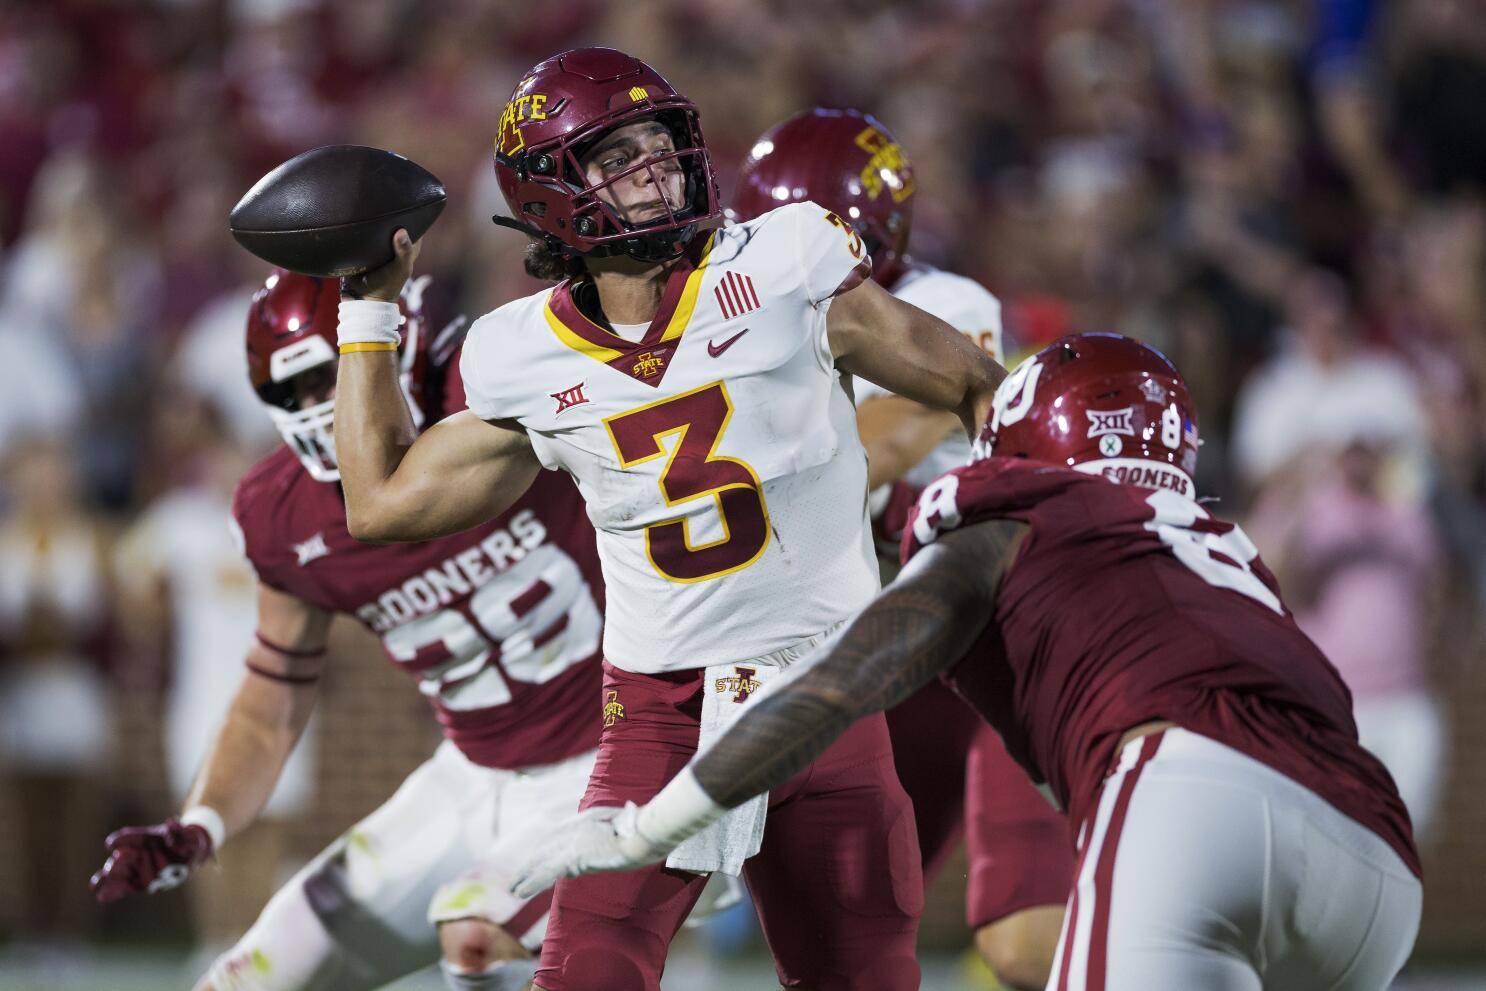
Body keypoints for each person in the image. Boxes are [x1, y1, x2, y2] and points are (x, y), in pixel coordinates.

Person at [331, 47, 1005, 991]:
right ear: (553, 196)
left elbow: (979, 389)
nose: (654, 165)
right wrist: (367, 312)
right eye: (617, 156)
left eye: (660, 142)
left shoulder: (782, 261)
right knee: (586, 976)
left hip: (828, 692)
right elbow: (382, 502)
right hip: (660, 713)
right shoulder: (518, 354)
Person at [516, 333, 1423, 991]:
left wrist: (653, 824)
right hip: (1377, 864)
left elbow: (850, 673)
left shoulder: (1020, 504)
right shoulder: (1227, 552)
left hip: (1192, 790)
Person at [91, 270, 609, 991]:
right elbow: (272, 694)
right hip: (472, 773)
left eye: (325, 377)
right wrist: (201, 822)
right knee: (243, 979)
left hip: (619, 765)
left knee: (478, 936)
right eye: (289, 394)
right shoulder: (285, 512)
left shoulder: (496, 394)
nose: (313, 410)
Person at [730, 107, 1071, 990]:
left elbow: (874, 447)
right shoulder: (748, 329)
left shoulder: (946, 308)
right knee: (840, 948)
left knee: (1028, 941)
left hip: (1002, 635)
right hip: (895, 651)